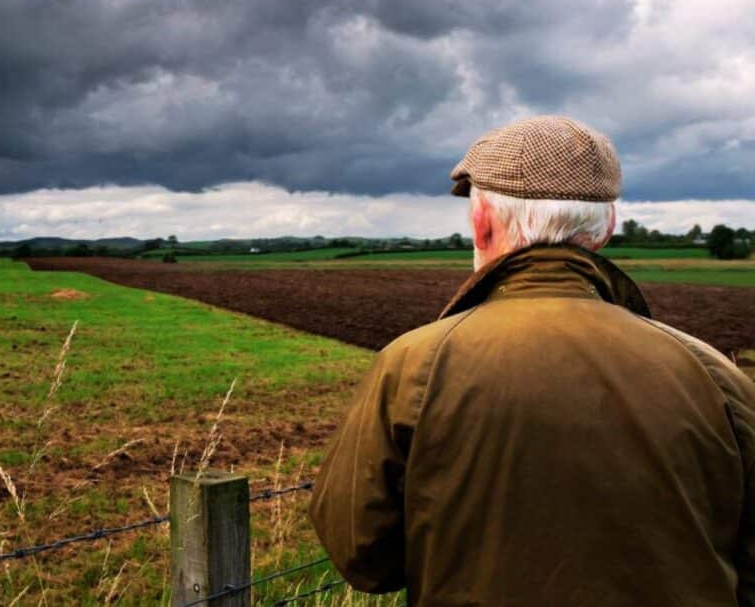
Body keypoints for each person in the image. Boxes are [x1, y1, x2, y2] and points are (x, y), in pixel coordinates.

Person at [308, 115, 755, 606]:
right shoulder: (714, 375)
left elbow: (363, 557)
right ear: (605, 228)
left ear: (482, 224)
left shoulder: (413, 366)